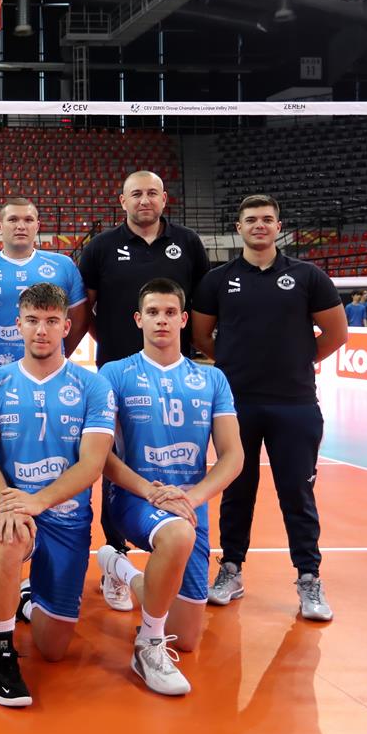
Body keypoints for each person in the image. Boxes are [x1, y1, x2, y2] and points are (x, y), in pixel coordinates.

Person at [191, 194, 347, 622]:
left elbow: (336, 334)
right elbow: (202, 337)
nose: (259, 225)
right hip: (237, 404)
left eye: (266, 219)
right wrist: (236, 364)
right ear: (238, 228)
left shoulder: (307, 276)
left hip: (295, 404)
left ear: (279, 227)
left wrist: (299, 362)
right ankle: (231, 568)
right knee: (236, 491)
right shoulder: (218, 280)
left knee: (297, 493)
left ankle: (309, 577)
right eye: (251, 219)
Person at [0, 282, 115, 707]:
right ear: (18, 325)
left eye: (52, 321)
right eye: (32, 320)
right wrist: (8, 500)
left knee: (53, 650)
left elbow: (92, 464)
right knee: (11, 535)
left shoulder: (93, 387)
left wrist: (38, 501)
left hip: (68, 517)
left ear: (67, 327)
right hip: (10, 504)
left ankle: (27, 599)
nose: (41, 330)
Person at [97, 278, 243, 695]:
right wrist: (150, 491)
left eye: (169, 312)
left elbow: (233, 455)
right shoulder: (114, 373)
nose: (161, 320)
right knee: (177, 535)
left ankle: (118, 568)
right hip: (134, 496)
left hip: (188, 503)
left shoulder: (212, 380)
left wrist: (192, 498)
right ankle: (147, 647)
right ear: (138, 319)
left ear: (183, 319)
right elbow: (100, 455)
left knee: (188, 637)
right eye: (153, 312)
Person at [76, 170, 209, 609]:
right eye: (136, 194)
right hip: (116, 372)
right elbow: (86, 309)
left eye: (152, 193)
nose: (145, 200)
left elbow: (201, 307)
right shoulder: (101, 247)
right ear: (123, 201)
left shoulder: (188, 243)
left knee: (175, 457)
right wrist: (116, 349)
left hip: (175, 373)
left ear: (164, 198)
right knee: (111, 460)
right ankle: (116, 555)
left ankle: (173, 540)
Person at [0, 198, 87, 592]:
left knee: (53, 459)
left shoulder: (62, 266)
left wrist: (56, 361)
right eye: (12, 219)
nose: (21, 225)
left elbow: (78, 321)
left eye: (28, 219)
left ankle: (48, 549)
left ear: (37, 225)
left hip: (52, 382)